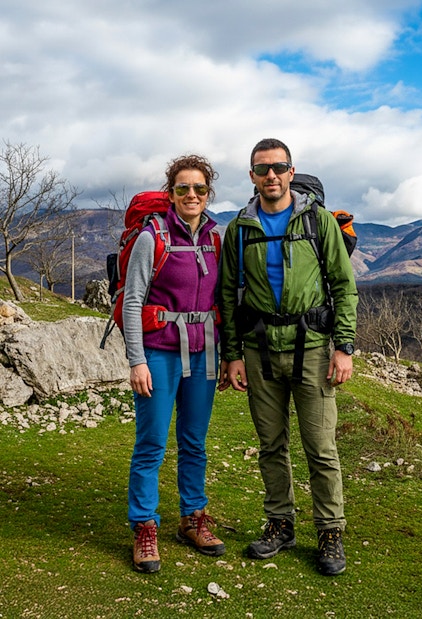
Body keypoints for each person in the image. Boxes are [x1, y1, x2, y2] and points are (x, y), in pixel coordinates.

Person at [219, 138, 358, 576]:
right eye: (263, 169)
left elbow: (343, 284)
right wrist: (232, 354)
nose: (271, 175)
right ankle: (280, 523)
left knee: (320, 447)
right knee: (270, 445)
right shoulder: (239, 229)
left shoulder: (317, 221)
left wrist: (344, 346)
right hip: (259, 352)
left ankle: (330, 531)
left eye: (278, 167)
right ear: (252, 176)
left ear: (291, 171)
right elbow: (227, 294)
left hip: (314, 349)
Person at [122, 154, 225, 573]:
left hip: (204, 355)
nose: (191, 195)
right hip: (159, 353)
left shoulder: (218, 238)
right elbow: (132, 301)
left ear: (208, 193)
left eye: (199, 188)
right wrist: (136, 360)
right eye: (183, 188)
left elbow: (225, 300)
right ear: (171, 193)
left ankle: (192, 517)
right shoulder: (153, 237)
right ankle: (145, 525)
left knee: (194, 442)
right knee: (151, 444)